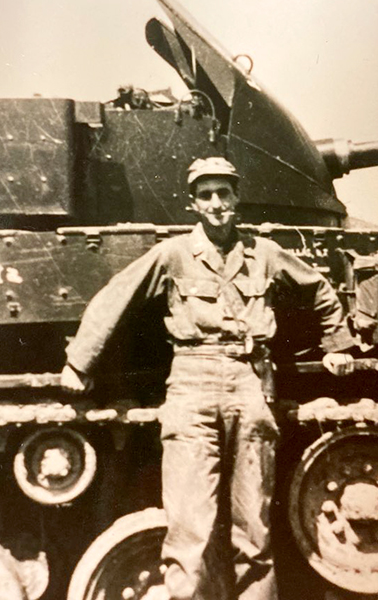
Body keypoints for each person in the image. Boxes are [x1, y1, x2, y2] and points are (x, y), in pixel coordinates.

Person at [61, 157, 351, 600]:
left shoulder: (265, 254)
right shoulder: (173, 254)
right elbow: (115, 298)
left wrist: (340, 345)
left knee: (253, 526)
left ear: (237, 198)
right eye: (206, 195)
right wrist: (80, 362)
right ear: (193, 204)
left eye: (224, 193)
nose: (216, 203)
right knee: (189, 531)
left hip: (249, 382)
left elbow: (318, 290)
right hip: (191, 384)